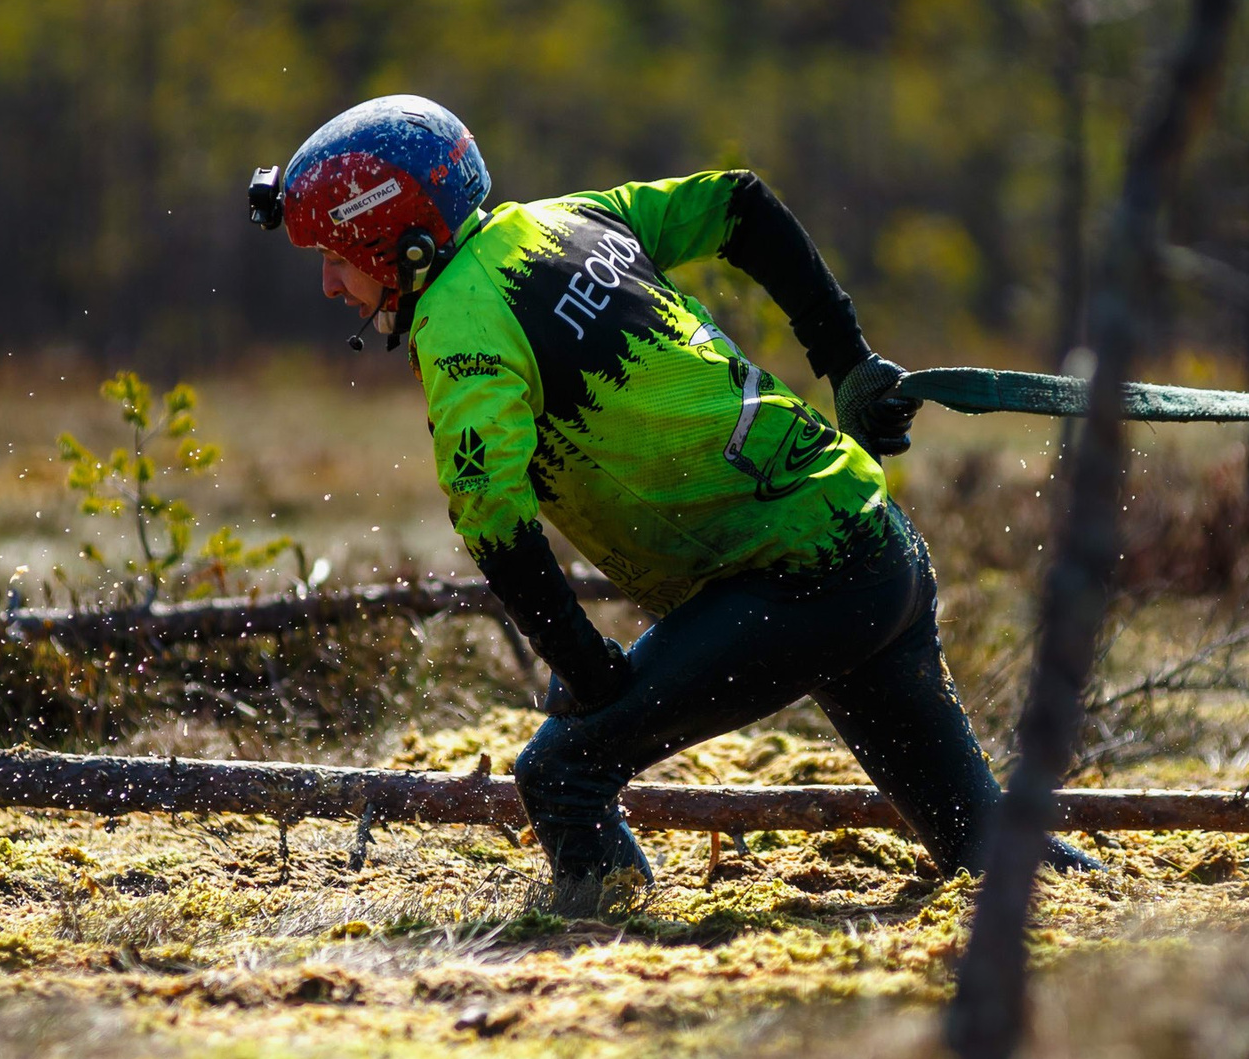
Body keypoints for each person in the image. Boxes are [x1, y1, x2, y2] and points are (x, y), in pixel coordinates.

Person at [249, 94, 1092, 905]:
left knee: (561, 774)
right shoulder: (564, 218)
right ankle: (1121, 927)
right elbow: (741, 204)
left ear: (402, 242)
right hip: (876, 544)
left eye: (336, 256)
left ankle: (594, 962)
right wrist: (847, 359)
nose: (328, 285)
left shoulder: (460, 325)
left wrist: (587, 669)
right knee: (988, 849)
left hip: (806, 579)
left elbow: (491, 519)